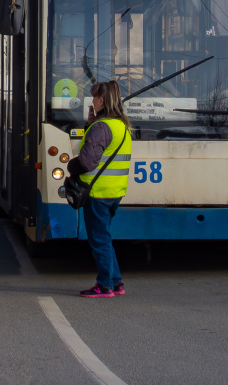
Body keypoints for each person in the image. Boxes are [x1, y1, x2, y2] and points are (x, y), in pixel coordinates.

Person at [68, 80, 132, 298]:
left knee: (99, 241)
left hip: (97, 193)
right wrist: (91, 125)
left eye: (94, 97)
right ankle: (116, 282)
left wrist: (70, 165)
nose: (92, 101)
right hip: (114, 192)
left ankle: (104, 286)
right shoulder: (121, 125)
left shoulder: (101, 127)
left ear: (102, 100)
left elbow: (87, 161)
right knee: (105, 238)